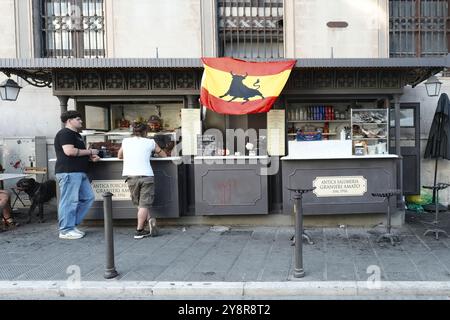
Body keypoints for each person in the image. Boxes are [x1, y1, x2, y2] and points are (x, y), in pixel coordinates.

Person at [54, 110, 100, 240]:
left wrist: (90, 157)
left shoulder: (76, 135)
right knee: (69, 201)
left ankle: (71, 225)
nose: (81, 121)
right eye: (78, 119)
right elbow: (69, 151)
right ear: (69, 120)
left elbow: (77, 153)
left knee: (88, 198)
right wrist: (90, 151)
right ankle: (65, 230)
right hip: (69, 172)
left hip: (78, 171)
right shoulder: (65, 133)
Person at [118, 122, 167, 239]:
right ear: (145, 132)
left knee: (140, 204)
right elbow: (164, 155)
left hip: (131, 177)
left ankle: (149, 220)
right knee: (144, 204)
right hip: (146, 176)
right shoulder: (150, 142)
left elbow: (119, 156)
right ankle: (139, 230)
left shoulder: (126, 141)